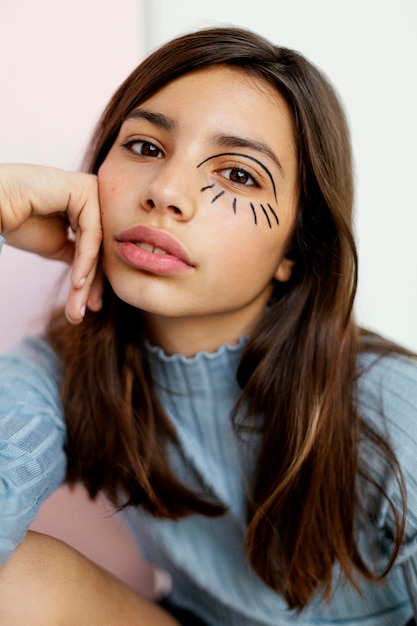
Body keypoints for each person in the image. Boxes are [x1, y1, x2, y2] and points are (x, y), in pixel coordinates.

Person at [0, 26, 416, 626]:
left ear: (295, 251)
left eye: (239, 175)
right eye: (145, 148)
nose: (165, 192)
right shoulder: (63, 369)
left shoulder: (395, 410)